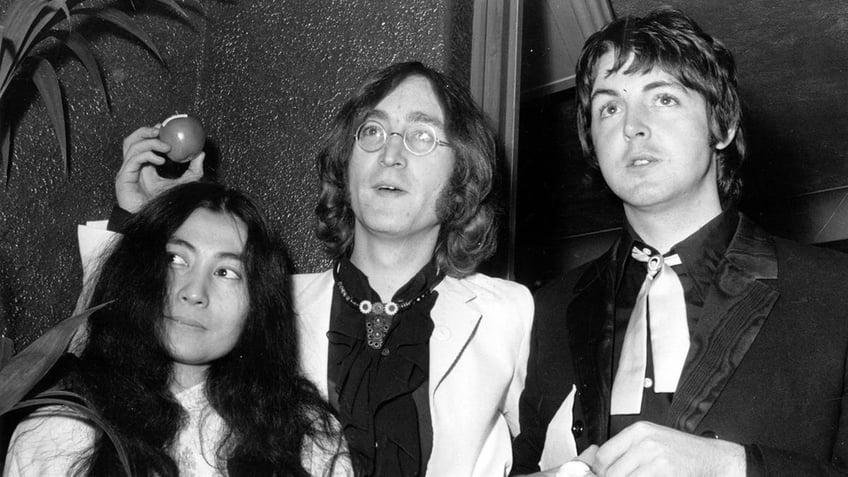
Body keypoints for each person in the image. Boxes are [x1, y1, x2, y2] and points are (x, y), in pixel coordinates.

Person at [75, 61, 534, 476]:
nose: (391, 155)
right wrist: (144, 220)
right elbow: (108, 362)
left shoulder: (509, 314)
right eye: (372, 132)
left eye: (422, 135)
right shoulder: (263, 300)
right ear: (345, 163)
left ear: (462, 176)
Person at [511, 8, 848, 477]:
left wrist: (734, 468)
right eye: (609, 107)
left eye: (663, 98)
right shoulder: (543, 313)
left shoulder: (837, 294)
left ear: (722, 125)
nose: (631, 126)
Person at [5, 182, 350, 476]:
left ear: (258, 303)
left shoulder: (307, 436)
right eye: (175, 260)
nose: (194, 292)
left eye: (226, 272)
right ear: (138, 272)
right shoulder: (59, 432)